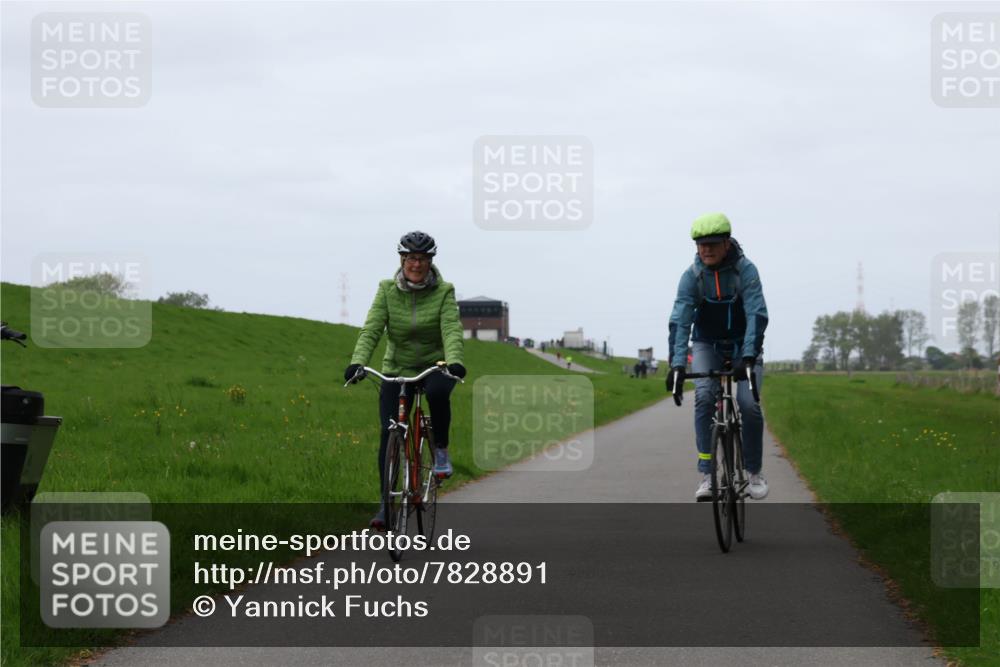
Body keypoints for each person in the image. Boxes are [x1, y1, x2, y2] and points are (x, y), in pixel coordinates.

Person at [344, 231, 466, 528]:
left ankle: (440, 450)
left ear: (430, 261)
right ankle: (386, 508)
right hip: (396, 367)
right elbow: (372, 328)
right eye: (411, 257)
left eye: (423, 258)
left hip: (435, 365)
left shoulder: (444, 291)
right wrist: (357, 362)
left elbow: (451, 329)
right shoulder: (386, 289)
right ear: (402, 260)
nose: (417, 264)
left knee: (437, 394)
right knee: (390, 434)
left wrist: (455, 362)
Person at [665, 213, 770, 501]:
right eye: (700, 244)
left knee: (749, 405)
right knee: (703, 396)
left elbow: (756, 314)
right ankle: (706, 474)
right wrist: (676, 365)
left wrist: (749, 356)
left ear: (726, 243)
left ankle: (754, 471)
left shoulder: (745, 271)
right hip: (706, 345)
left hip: (743, 347)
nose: (706, 249)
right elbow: (680, 320)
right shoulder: (692, 277)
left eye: (712, 243)